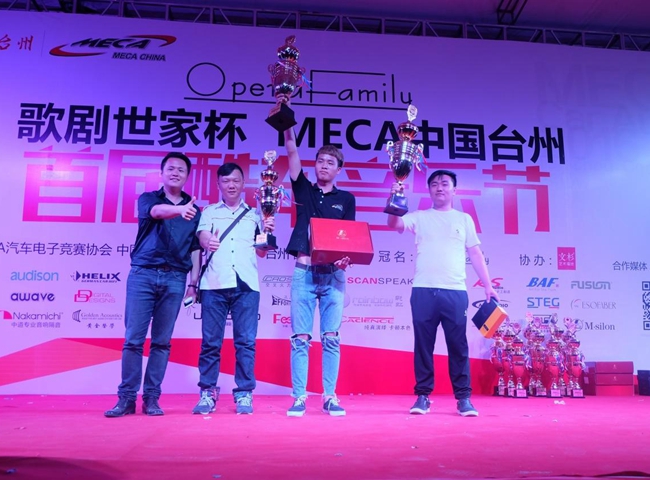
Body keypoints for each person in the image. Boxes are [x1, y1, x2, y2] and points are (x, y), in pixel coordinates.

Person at [386, 169, 499, 417]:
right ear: (429, 190)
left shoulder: (464, 219)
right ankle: (423, 396)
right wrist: (394, 199)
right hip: (423, 290)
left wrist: (488, 285)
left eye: (445, 184)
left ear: (454, 190)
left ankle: (463, 398)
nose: (440, 187)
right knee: (423, 345)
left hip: (455, 291)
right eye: (435, 184)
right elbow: (394, 224)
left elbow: (475, 253)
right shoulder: (420, 217)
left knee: (458, 346)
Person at [105, 152, 201, 418]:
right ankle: (126, 398)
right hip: (144, 274)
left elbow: (195, 248)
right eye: (170, 168)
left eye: (181, 170)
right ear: (162, 173)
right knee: (133, 340)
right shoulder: (149, 198)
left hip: (175, 278)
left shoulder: (195, 211)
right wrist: (179, 210)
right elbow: (156, 212)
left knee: (161, 342)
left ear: (187, 176)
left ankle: (151, 398)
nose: (175, 173)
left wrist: (193, 283)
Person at [281, 96, 356, 417]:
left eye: (330, 162)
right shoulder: (304, 190)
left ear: (338, 169)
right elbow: (291, 150)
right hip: (304, 272)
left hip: (333, 277)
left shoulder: (346, 199)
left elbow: (349, 239)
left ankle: (329, 396)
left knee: (331, 338)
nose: (323, 166)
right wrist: (286, 116)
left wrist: (345, 259)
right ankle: (299, 396)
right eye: (320, 161)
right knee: (300, 338)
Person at [191, 163, 275, 415]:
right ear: (218, 184)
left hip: (246, 284)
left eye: (236, 181)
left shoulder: (255, 214)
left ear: (243, 184)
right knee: (210, 343)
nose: (231, 185)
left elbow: (262, 252)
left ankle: (244, 393)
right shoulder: (209, 212)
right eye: (226, 181)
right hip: (214, 284)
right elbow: (202, 237)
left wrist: (267, 232)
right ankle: (207, 392)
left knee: (246, 343)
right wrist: (207, 240)